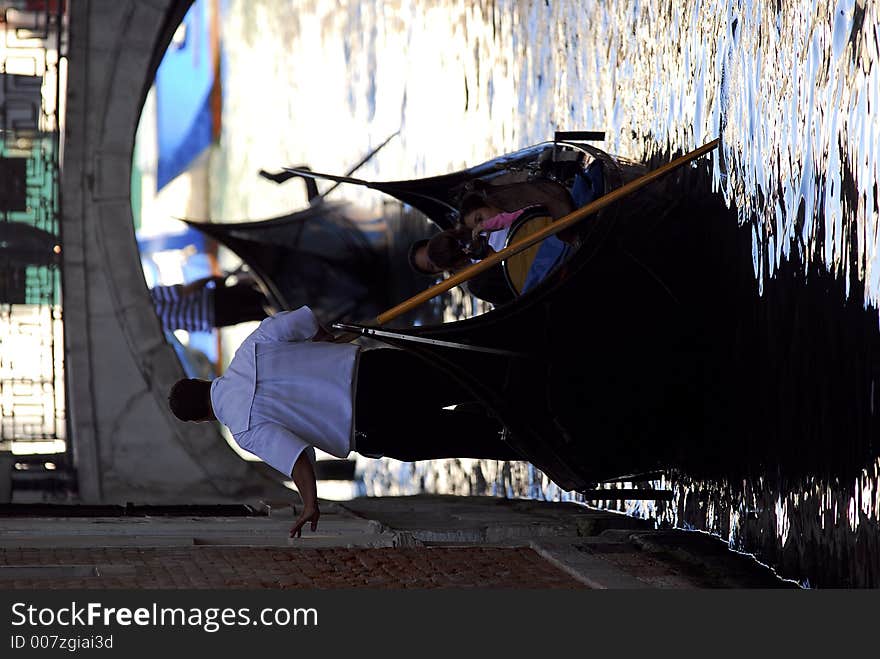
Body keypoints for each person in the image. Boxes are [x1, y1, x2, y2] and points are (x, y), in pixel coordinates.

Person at [167, 306, 517, 537]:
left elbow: (298, 458)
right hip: (373, 373)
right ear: (203, 380)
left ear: (201, 420)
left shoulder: (244, 430)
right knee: (472, 377)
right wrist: (323, 339)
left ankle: (525, 440)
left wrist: (309, 504)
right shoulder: (249, 349)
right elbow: (302, 319)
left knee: (472, 437)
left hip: (373, 428)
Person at [150, 272, 271, 332]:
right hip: (215, 301)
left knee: (262, 314)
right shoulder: (150, 298)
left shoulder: (153, 328)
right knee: (262, 295)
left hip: (214, 321)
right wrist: (211, 278)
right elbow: (185, 291)